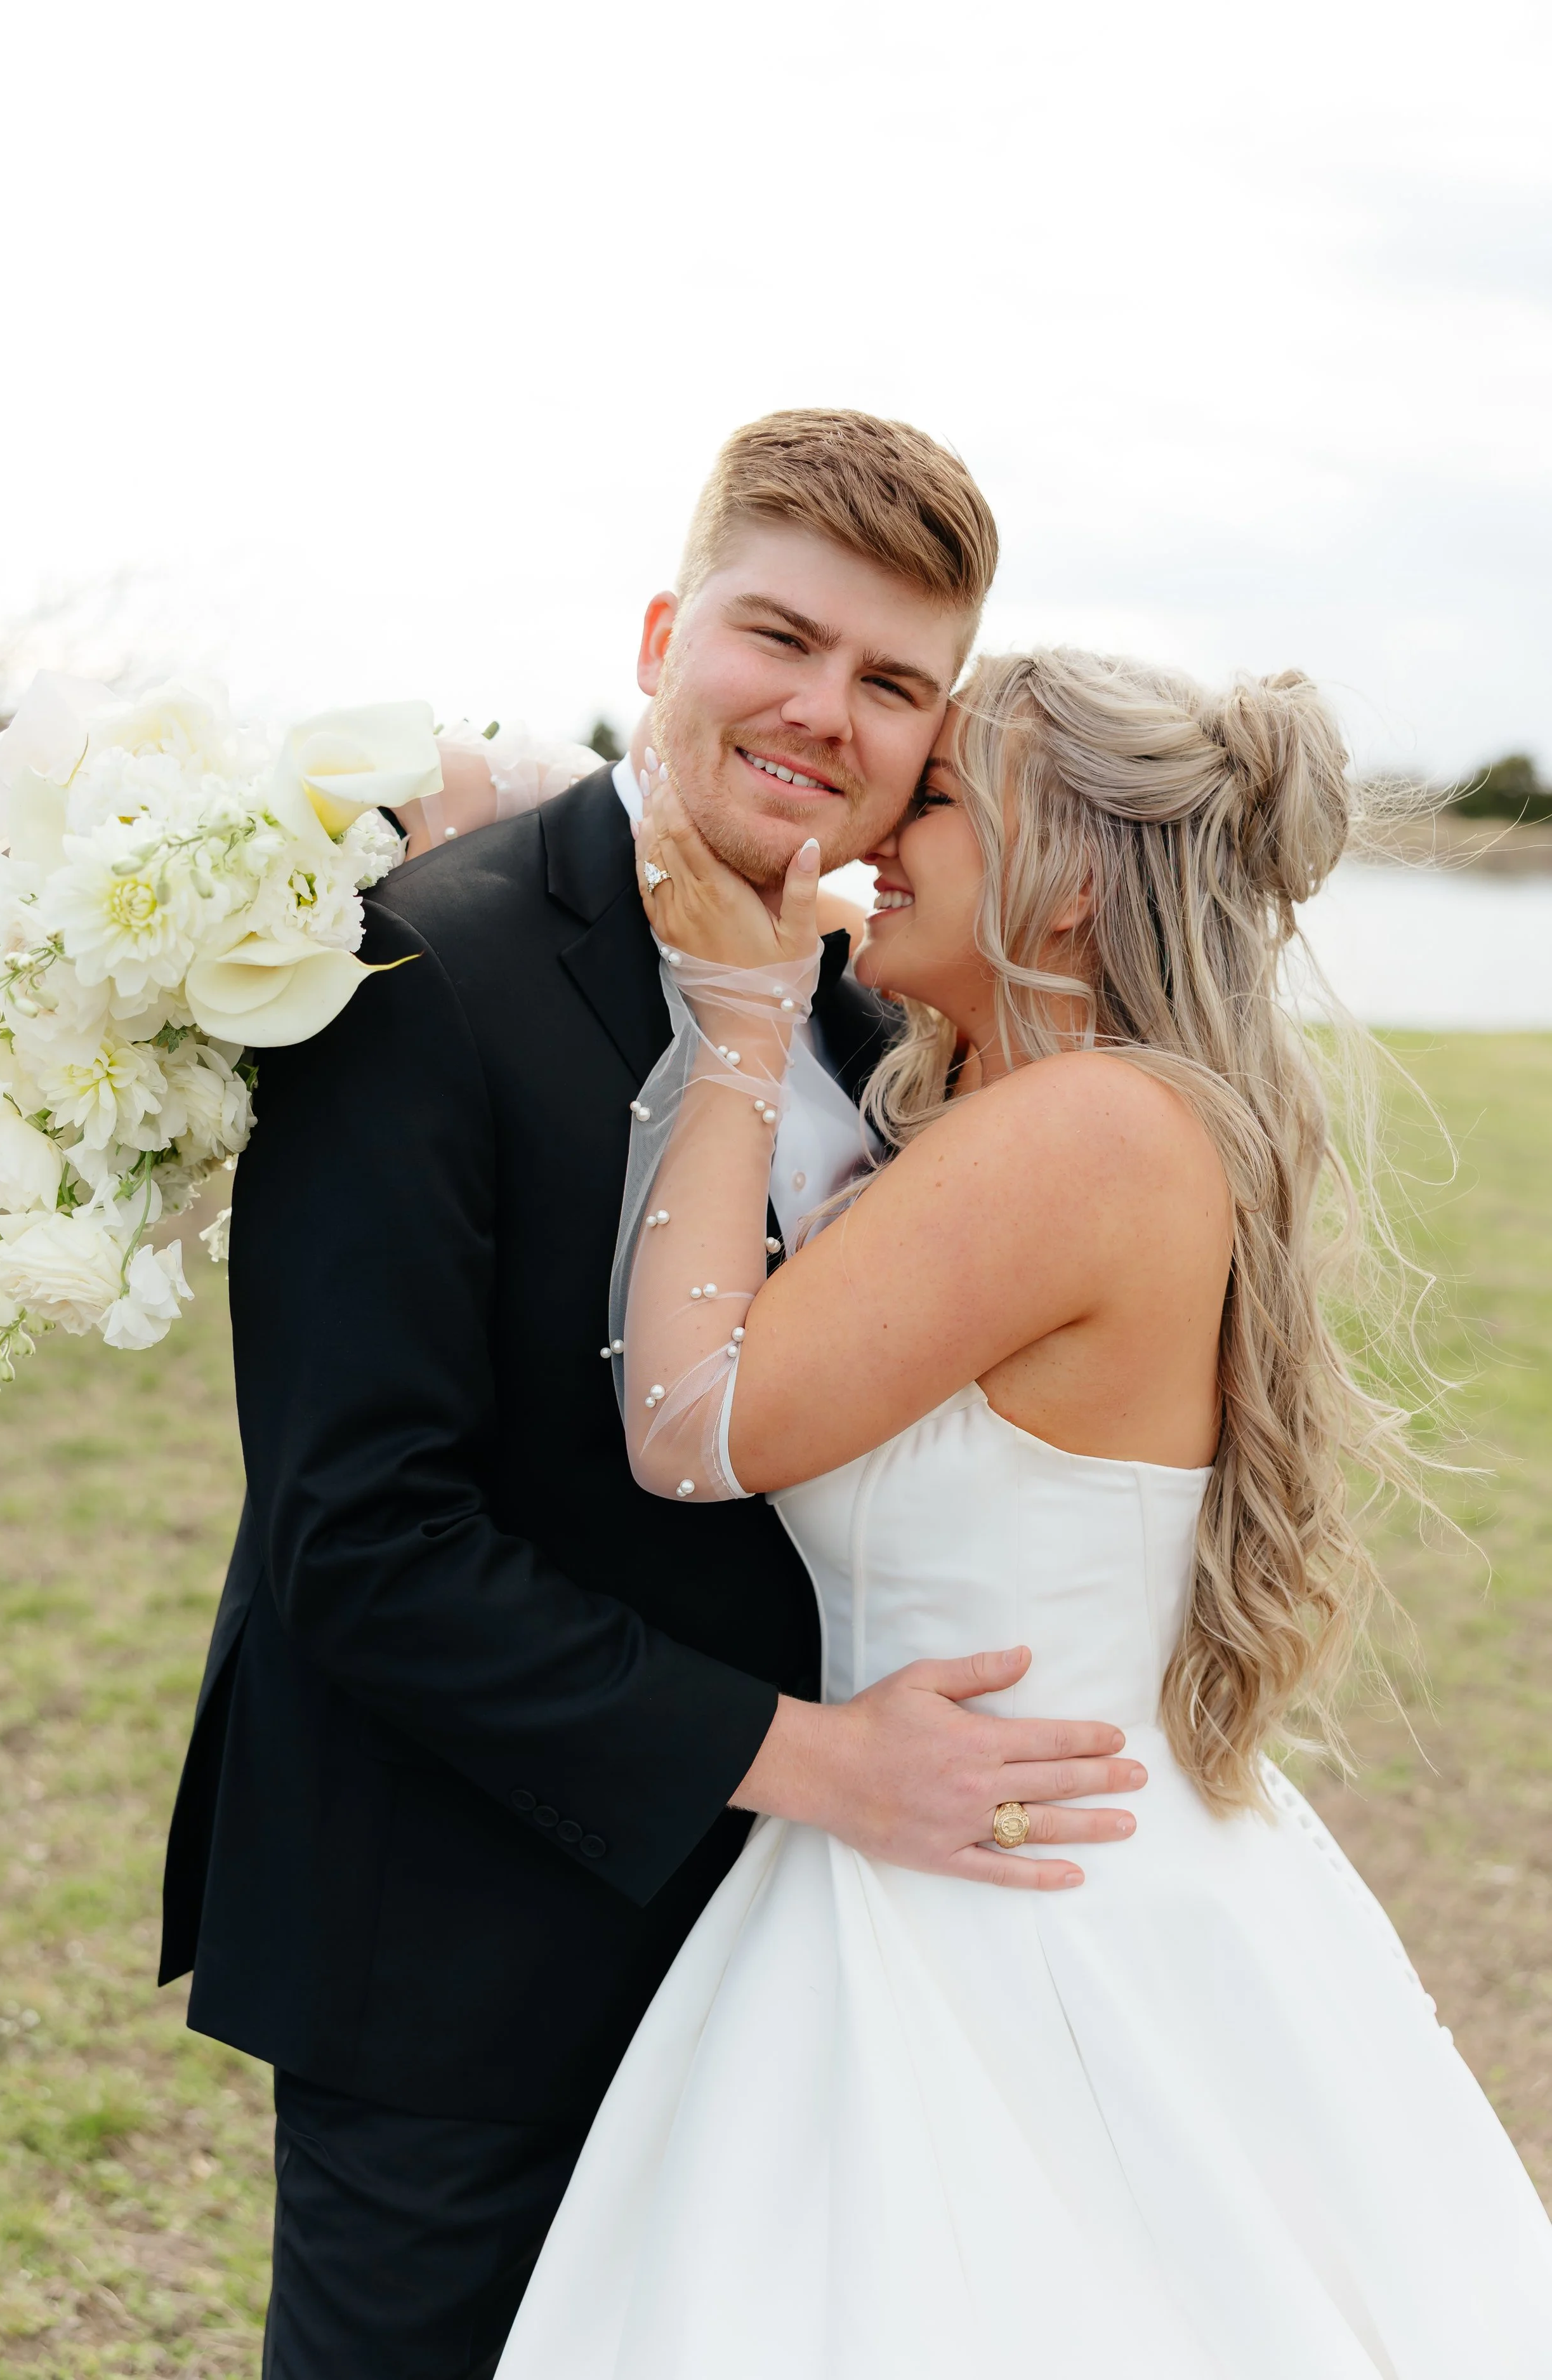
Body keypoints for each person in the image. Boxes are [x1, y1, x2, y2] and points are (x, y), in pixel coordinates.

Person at [158, 412, 1148, 2379]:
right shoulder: (410, 973)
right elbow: (361, 1547)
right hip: (446, 1962)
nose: (818, 714)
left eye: (888, 683)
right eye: (775, 637)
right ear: (654, 632)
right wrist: (817, 1757)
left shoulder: (880, 1016)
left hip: (791, 1974)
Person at [496, 649, 1552, 2376]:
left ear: (1063, 876)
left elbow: (695, 1419)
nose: (875, 825)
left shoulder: (1085, 1134)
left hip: (1006, 1910)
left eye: (931, 795)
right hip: (968, 1841)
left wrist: (742, 1020)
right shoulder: (1017, 1107)